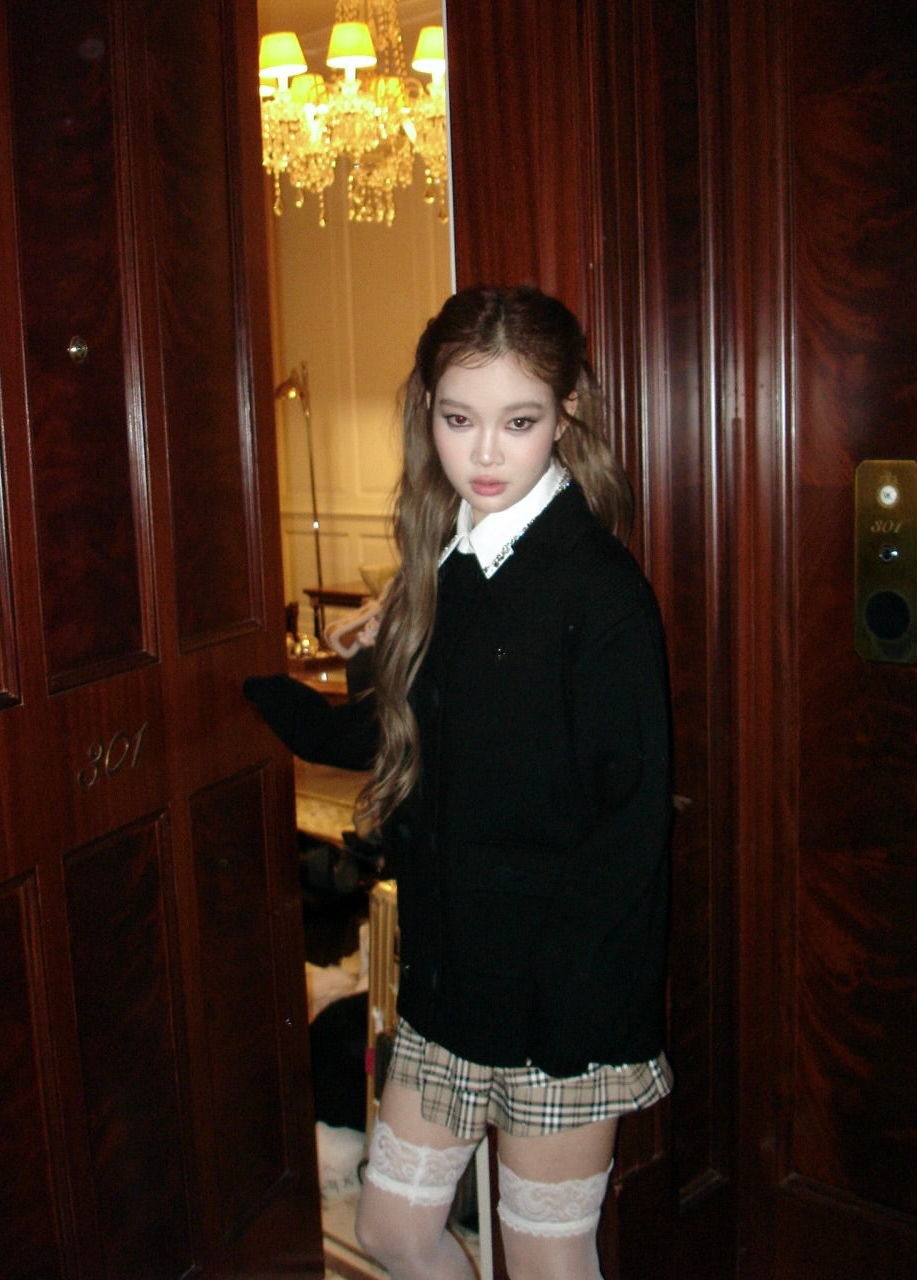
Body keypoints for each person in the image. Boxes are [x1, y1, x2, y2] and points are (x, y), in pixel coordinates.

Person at [244, 284, 673, 1280]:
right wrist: (251, 689)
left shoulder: (598, 588)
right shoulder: (449, 567)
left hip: (563, 1000)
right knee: (393, 1230)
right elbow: (398, 736)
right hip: (452, 982)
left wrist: (568, 1014)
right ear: (426, 410)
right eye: (457, 419)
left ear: (567, 414)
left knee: (547, 1254)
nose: (484, 453)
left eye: (518, 422)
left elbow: (631, 826)